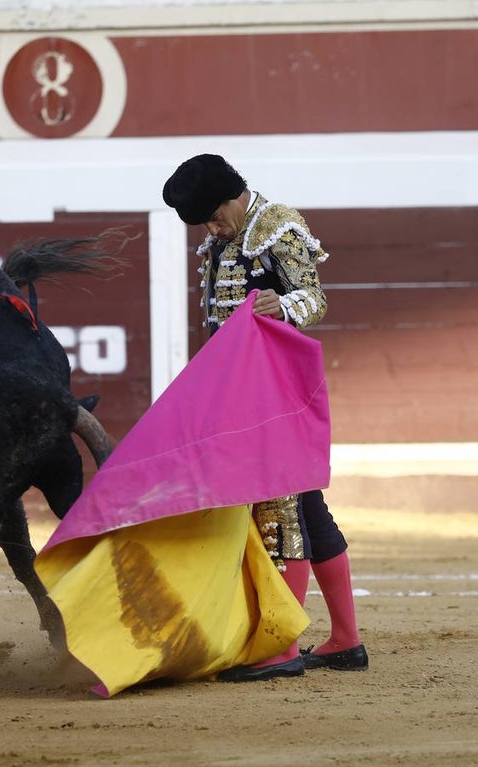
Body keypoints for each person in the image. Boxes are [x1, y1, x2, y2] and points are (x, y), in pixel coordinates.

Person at [162, 153, 368, 682]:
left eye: (212, 217)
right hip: (240, 394)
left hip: (276, 389)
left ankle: (281, 647)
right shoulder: (222, 241)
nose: (210, 229)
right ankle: (345, 641)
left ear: (232, 197)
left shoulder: (277, 227)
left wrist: (285, 305)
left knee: (280, 507)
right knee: (307, 507)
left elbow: (315, 299)